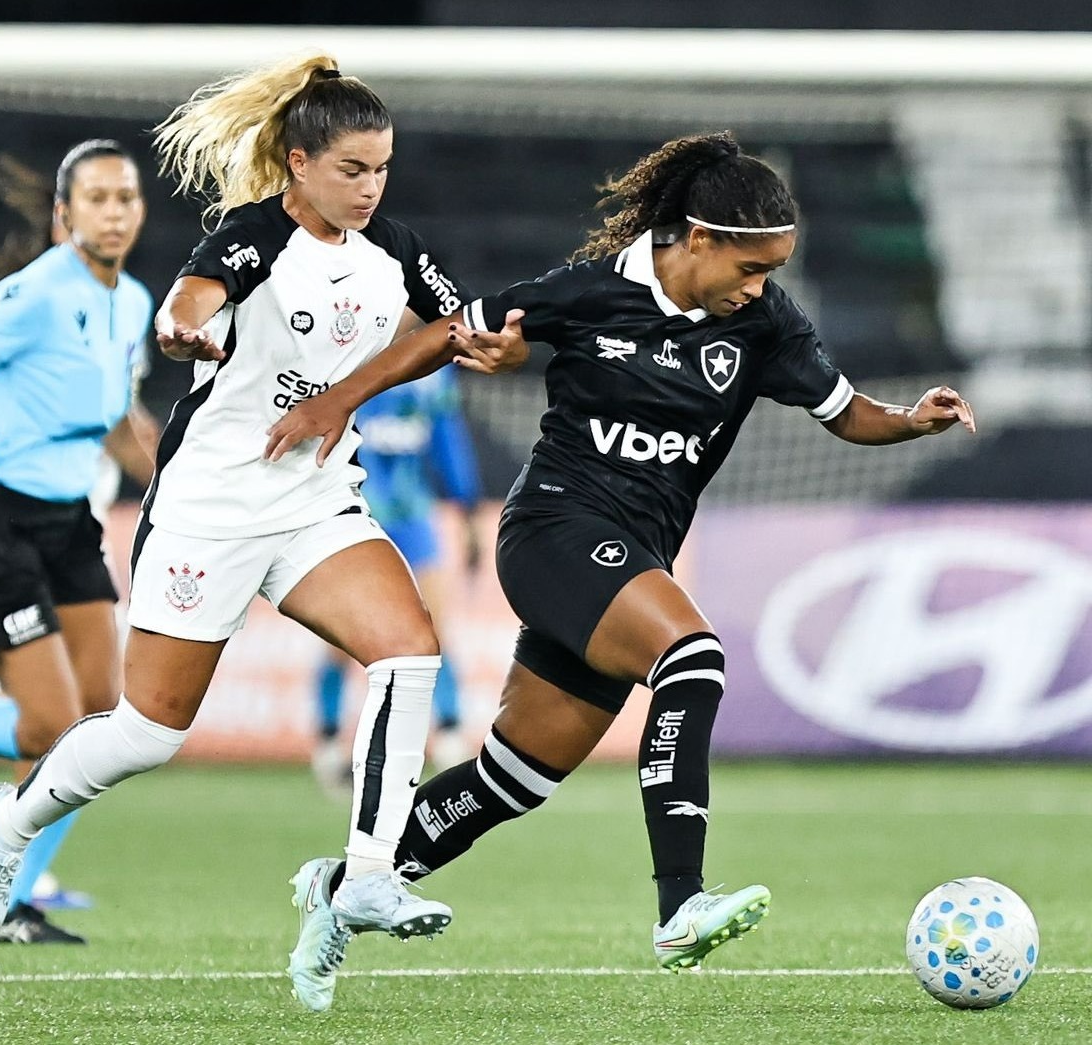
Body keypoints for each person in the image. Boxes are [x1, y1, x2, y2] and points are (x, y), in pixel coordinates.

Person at [271, 131, 977, 1009]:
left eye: (772, 271)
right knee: (695, 659)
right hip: (555, 529)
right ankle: (680, 904)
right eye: (750, 266)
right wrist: (344, 399)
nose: (760, 287)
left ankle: (341, 887)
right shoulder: (589, 291)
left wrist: (910, 419)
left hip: (633, 554)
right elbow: (452, 333)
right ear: (699, 239)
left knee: (515, 775)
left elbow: (844, 413)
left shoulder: (762, 321)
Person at [0, 52, 525, 1009]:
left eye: (382, 168)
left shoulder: (393, 246)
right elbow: (187, 306)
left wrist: (419, 367)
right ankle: (7, 823)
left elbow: (444, 323)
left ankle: (369, 872)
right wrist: (185, 333)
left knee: (409, 650)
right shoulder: (251, 238)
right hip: (211, 507)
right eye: (352, 169)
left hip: (310, 501)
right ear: (297, 163)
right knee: (147, 732)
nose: (371, 187)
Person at [0, 139, 154, 944]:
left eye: (126, 197)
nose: (114, 211)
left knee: (104, 719)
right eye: (98, 198)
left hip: (67, 521)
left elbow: (112, 416)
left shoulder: (136, 302)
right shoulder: (37, 293)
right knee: (48, 726)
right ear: (64, 214)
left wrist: (167, 481)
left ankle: (11, 895)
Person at [311, 365, 482, 792]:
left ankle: (449, 736)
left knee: (435, 628)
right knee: (340, 637)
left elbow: (447, 438)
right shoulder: (353, 353)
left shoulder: (434, 373)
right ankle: (328, 741)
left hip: (413, 513)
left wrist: (467, 509)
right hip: (356, 511)